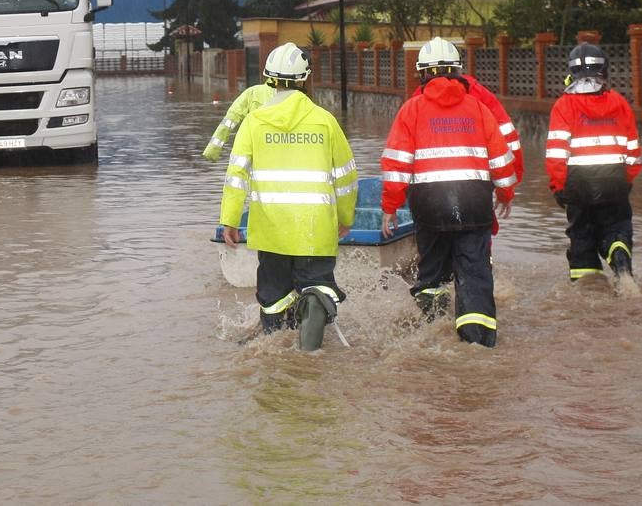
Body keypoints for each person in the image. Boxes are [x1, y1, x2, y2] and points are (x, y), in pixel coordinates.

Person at [218, 42, 358, 351]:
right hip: (316, 228)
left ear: (268, 79)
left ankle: (276, 350)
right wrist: (346, 218)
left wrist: (229, 220)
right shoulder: (325, 120)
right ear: (305, 79)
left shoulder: (254, 122)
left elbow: (236, 176)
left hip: (271, 229)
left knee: (273, 297)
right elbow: (347, 177)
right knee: (317, 286)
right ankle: (312, 338)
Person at [380, 36, 516, 348]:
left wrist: (390, 206)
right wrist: (505, 195)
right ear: (457, 71)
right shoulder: (479, 109)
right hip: (474, 206)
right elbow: (501, 160)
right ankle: (476, 341)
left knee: (432, 272)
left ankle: (433, 326)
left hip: (428, 208)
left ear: (422, 73)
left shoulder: (410, 110)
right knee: (474, 274)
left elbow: (397, 164)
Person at [545, 43, 642, 282]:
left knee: (582, 237)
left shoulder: (563, 105)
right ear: (604, 70)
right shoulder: (620, 102)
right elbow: (633, 150)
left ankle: (587, 289)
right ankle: (618, 250)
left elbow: (557, 153)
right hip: (615, 180)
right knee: (617, 226)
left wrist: (558, 187)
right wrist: (627, 180)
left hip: (578, 184)